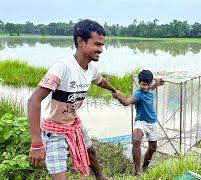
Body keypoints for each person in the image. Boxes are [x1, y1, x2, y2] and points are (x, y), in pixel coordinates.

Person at [27, 19, 120, 180]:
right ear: (80, 42)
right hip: (54, 130)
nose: (101, 50)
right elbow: (33, 101)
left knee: (90, 150)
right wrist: (36, 143)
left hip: (74, 123)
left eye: (102, 45)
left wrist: (113, 90)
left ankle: (101, 178)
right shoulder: (62, 67)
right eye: (97, 44)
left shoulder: (91, 68)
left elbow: (100, 80)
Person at [113, 70, 164, 176]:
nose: (145, 87)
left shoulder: (149, 88)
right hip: (141, 122)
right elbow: (127, 102)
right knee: (136, 140)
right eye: (142, 84)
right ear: (139, 83)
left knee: (152, 148)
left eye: (147, 84)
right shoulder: (138, 93)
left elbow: (151, 88)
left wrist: (157, 83)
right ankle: (137, 172)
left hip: (153, 123)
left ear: (150, 83)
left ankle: (145, 168)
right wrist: (119, 97)